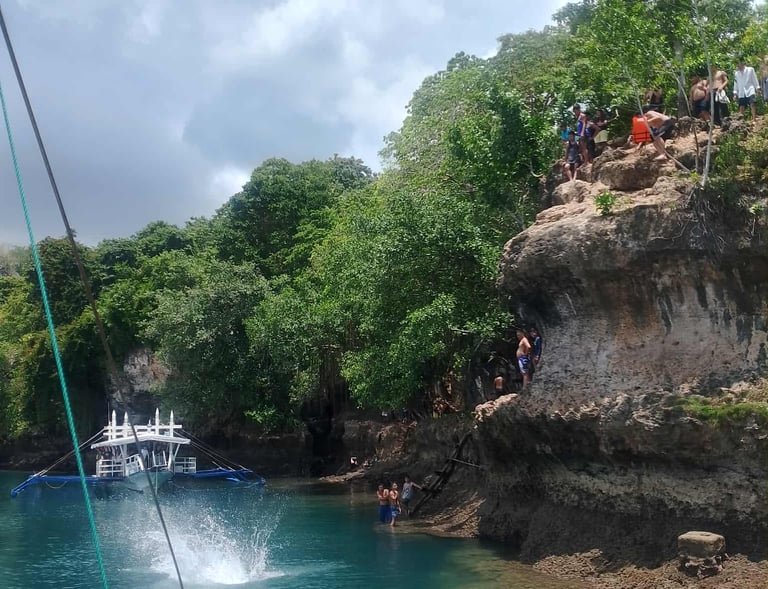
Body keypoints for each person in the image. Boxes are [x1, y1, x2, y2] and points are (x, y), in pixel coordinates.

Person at [733, 56, 759, 121]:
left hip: (750, 88)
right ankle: (742, 121)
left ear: (742, 63)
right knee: (741, 106)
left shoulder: (750, 69)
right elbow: (736, 83)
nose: (738, 65)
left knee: (752, 103)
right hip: (741, 91)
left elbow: (754, 79)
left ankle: (754, 118)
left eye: (739, 63)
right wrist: (735, 93)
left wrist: (757, 87)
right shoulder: (736, 73)